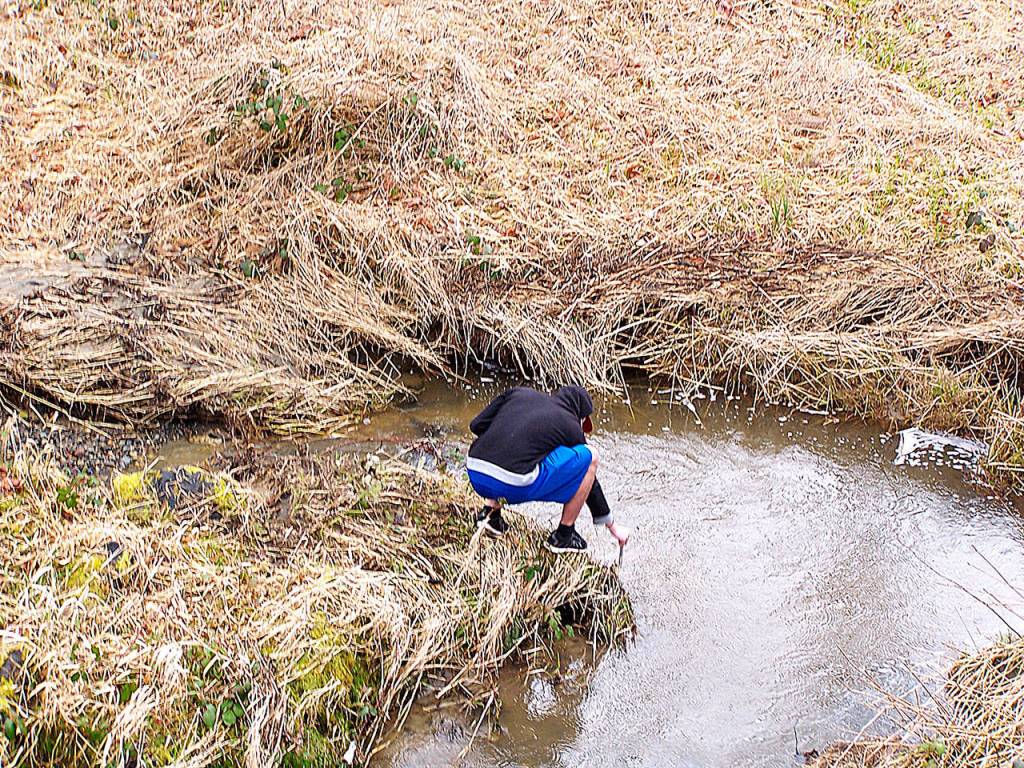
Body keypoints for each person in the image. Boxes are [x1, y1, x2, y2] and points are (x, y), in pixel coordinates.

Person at [464, 385, 630, 554]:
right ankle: (564, 535)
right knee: (591, 456)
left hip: (475, 470)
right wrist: (613, 526)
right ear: (580, 416)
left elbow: (477, 425)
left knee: (513, 451)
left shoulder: (518, 393)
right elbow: (588, 475)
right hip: (512, 484)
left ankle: (490, 515)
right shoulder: (569, 423)